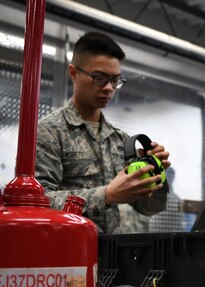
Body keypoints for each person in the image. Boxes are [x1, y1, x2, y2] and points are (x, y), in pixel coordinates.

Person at [36, 31, 170, 234]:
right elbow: (37, 203)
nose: (109, 88)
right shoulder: (48, 132)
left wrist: (155, 173)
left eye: (115, 80)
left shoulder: (120, 140)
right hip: (67, 255)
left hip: (112, 258)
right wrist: (107, 195)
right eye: (99, 78)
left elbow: (149, 208)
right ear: (73, 73)